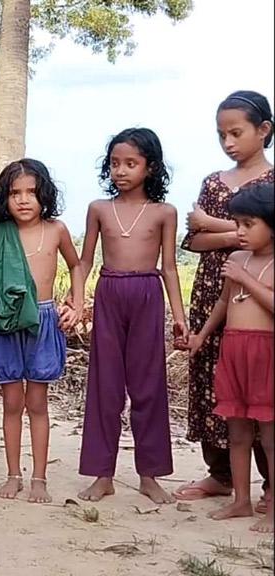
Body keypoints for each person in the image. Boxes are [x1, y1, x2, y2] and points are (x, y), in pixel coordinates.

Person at [77, 128, 187, 504]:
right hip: (109, 292)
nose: (120, 171)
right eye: (114, 163)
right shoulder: (98, 209)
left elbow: (170, 268)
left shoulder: (164, 212)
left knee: (148, 385)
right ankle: (102, 474)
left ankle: (149, 475)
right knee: (105, 385)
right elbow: (85, 261)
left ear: (150, 167)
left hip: (147, 293)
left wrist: (179, 316)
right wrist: (78, 302)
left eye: (131, 163)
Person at [177, 91, 273, 511]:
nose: (228, 142)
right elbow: (192, 240)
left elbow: (207, 228)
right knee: (214, 383)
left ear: (264, 130)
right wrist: (226, 233)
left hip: (260, 305)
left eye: (236, 132)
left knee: (265, 398)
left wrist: (212, 224)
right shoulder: (214, 182)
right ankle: (222, 475)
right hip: (215, 294)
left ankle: (269, 483)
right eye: (221, 135)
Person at [0, 159, 85, 504]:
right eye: (14, 193)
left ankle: (39, 477)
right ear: (4, 198)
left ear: (45, 195)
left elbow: (77, 264)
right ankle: (13, 475)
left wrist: (76, 302)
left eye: (31, 193)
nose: (23, 200)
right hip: (5, 324)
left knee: (37, 402)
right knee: (11, 402)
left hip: (43, 320)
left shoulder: (56, 230)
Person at [188, 183, 274, 533]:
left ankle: (272, 508)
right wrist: (202, 336)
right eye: (237, 223)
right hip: (233, 349)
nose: (239, 231)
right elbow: (224, 303)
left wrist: (246, 279)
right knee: (236, 431)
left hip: (266, 352)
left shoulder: (255, 266)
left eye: (248, 224)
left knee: (269, 435)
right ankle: (240, 500)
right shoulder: (236, 259)